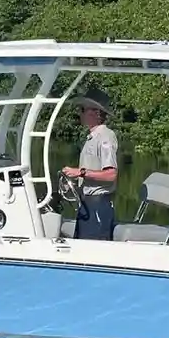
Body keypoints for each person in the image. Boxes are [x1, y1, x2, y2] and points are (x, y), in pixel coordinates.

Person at [60, 85, 118, 240]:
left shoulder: (105, 137)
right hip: (87, 204)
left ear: (96, 113)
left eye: (82, 109)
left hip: (98, 206)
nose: (79, 113)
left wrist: (80, 172)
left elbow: (111, 174)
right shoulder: (92, 138)